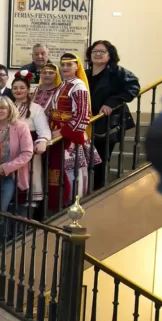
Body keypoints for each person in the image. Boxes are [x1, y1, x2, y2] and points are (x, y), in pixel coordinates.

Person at [33, 57, 101, 210]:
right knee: (56, 173)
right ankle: (58, 207)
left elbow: (83, 115)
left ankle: (72, 207)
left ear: (77, 66)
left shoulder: (79, 85)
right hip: (58, 135)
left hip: (70, 138)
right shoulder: (64, 84)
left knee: (71, 174)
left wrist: (62, 131)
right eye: (62, 65)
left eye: (69, 64)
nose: (65, 67)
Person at [86, 40, 140, 190]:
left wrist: (112, 102)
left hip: (108, 125)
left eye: (102, 51)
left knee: (101, 161)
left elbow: (133, 86)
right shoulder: (85, 74)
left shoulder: (117, 72)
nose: (98, 54)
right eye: (94, 51)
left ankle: (98, 194)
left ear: (110, 55)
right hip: (88, 124)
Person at [0, 97, 33, 212]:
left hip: (11, 174)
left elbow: (27, 153)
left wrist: (5, 168)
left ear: (10, 109)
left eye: (2, 108)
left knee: (1, 209)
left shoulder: (21, 127)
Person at [12, 71, 51, 206]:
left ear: (28, 90)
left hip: (29, 151)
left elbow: (43, 129)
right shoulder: (7, 106)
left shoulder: (35, 108)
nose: (18, 91)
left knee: (30, 181)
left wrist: (42, 141)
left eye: (22, 88)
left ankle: (28, 217)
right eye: (15, 88)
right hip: (10, 151)